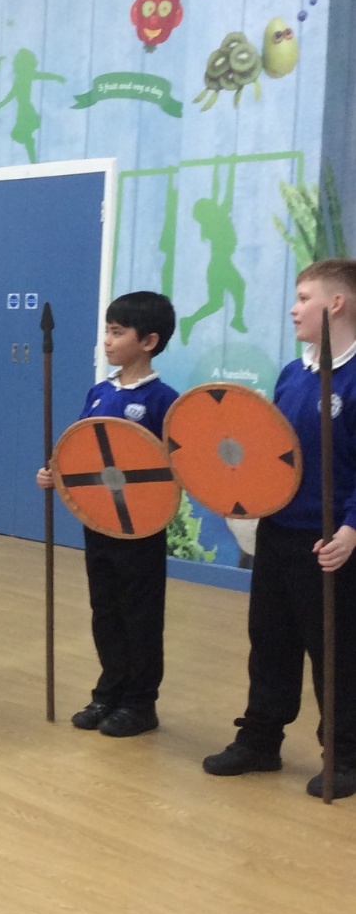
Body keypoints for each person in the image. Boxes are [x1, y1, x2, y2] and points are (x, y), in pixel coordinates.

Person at [204, 259, 356, 798]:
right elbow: (269, 453)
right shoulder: (294, 373)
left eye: (304, 298)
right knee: (269, 641)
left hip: (331, 540)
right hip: (278, 531)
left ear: (336, 304)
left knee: (336, 652)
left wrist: (351, 529)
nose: (294, 309)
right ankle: (260, 740)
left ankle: (345, 754)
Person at [37, 291, 178, 737]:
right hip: (99, 521)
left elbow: (171, 469)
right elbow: (82, 449)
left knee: (140, 614)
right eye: (107, 331)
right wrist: (56, 473)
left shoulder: (163, 400)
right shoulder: (99, 393)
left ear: (149, 341)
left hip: (140, 527)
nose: (108, 341)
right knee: (105, 609)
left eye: (118, 332)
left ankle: (140, 702)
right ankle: (109, 691)